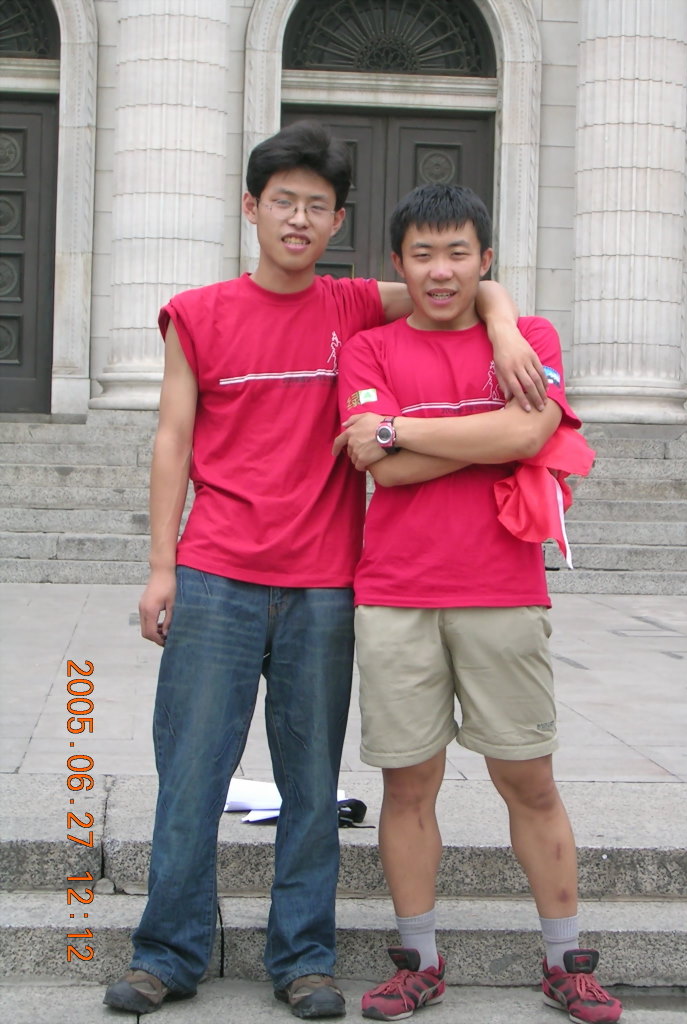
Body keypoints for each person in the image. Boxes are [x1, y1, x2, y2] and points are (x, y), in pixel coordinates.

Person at [102, 122, 547, 1020]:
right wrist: (160, 567)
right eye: (283, 202)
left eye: (317, 206)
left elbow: (455, 277)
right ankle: (167, 954)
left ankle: (302, 959)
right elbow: (172, 440)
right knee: (191, 775)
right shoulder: (197, 313)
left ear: (337, 221)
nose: (298, 220)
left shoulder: (350, 307)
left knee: (311, 786)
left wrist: (502, 326)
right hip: (216, 575)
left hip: (325, 585)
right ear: (251, 208)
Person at [333, 184, 622, 1024]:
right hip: (396, 594)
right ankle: (418, 961)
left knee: (529, 779)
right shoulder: (370, 348)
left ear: (485, 260)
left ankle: (566, 962)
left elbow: (529, 435)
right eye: (422, 254)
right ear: (398, 263)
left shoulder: (529, 339)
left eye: (458, 252)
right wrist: (481, 435)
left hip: (502, 591)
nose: (441, 270)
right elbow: (379, 470)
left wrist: (403, 428)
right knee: (407, 785)